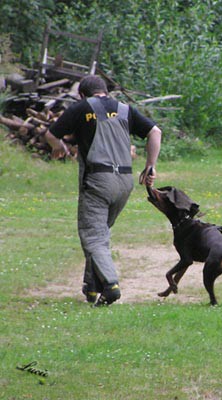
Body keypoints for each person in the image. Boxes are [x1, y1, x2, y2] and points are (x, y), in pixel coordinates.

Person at [45, 74, 162, 307]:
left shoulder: (80, 108)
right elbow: (155, 132)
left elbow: (50, 134)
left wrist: (60, 148)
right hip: (125, 182)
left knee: (94, 236)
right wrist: (150, 166)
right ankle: (91, 287)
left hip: (98, 181)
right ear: (106, 91)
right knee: (100, 231)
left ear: (82, 94)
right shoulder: (125, 109)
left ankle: (110, 285)